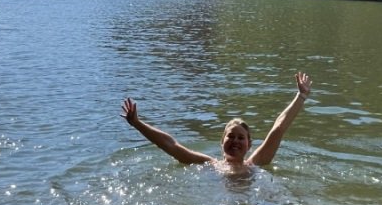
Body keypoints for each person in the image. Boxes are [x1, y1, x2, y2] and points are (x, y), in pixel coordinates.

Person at [121, 72, 312, 172]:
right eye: (231, 136)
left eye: (241, 138)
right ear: (222, 142)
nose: (235, 141)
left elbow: (277, 129)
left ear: (249, 144)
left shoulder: (256, 163)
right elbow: (171, 145)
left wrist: (301, 96)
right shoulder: (209, 165)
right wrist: (138, 124)